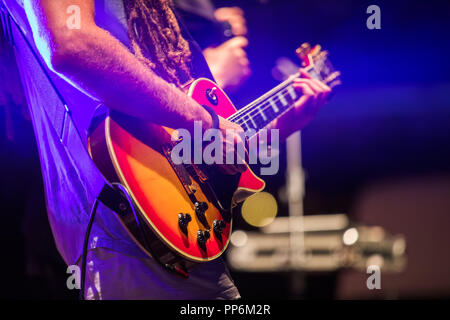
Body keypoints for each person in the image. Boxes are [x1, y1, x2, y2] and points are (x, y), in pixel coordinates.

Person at [19, 0, 331, 299]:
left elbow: (194, 147)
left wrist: (275, 130)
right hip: (122, 225)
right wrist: (204, 120)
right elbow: (71, 43)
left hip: (168, 225)